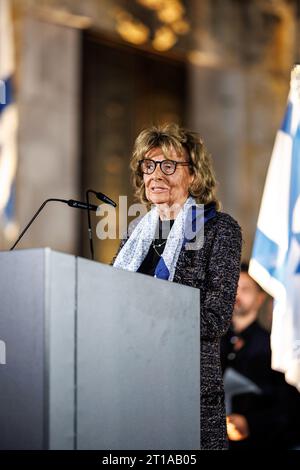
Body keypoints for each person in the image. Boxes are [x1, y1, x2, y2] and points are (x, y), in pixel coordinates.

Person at [112, 123, 242, 449]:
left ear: (194, 176)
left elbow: (215, 318)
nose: (156, 174)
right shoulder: (135, 236)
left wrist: (149, 310)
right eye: (149, 165)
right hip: (130, 386)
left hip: (186, 393)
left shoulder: (218, 230)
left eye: (169, 165)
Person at [221, 262, 300, 449]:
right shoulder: (212, 342)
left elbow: (290, 408)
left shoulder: (275, 346)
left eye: (246, 289)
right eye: (233, 286)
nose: (237, 293)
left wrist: (250, 423)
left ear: (260, 298)